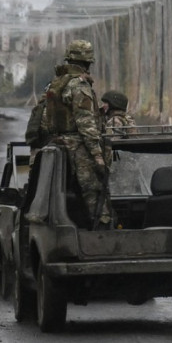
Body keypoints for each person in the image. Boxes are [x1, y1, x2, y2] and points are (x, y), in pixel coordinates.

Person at [32, 39, 113, 230]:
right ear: (86, 63)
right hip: (77, 145)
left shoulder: (56, 83)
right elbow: (85, 123)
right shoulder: (79, 85)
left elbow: (44, 118)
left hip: (56, 143)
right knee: (94, 189)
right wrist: (97, 155)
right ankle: (103, 230)